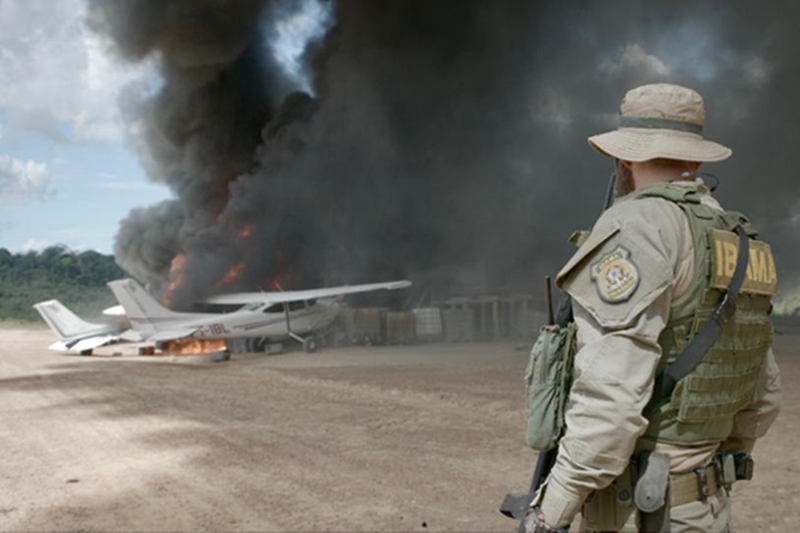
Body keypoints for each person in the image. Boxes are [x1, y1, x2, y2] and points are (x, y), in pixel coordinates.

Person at [525, 83, 782, 532]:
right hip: (707, 506)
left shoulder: (637, 226)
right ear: (697, 159)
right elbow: (761, 392)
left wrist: (551, 510)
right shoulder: (736, 238)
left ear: (624, 158)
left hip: (642, 513)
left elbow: (611, 401)